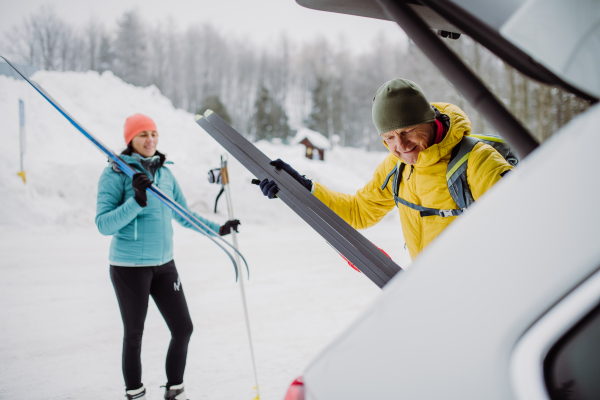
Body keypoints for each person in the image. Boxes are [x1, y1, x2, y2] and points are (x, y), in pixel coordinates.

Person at [257, 78, 513, 261]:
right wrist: (303, 188)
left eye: (407, 131)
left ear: (430, 121)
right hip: (432, 290)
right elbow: (359, 212)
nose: (399, 145)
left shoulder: (477, 161)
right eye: (388, 137)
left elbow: (525, 226)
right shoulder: (397, 167)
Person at [96, 114, 241, 400]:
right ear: (130, 140)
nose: (150, 140)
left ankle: (175, 389)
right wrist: (136, 200)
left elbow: (184, 215)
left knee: (183, 328)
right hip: (129, 267)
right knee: (134, 333)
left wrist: (219, 229)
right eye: (142, 135)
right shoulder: (115, 174)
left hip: (164, 264)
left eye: (153, 133)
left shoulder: (165, 174)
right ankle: (135, 393)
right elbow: (104, 224)